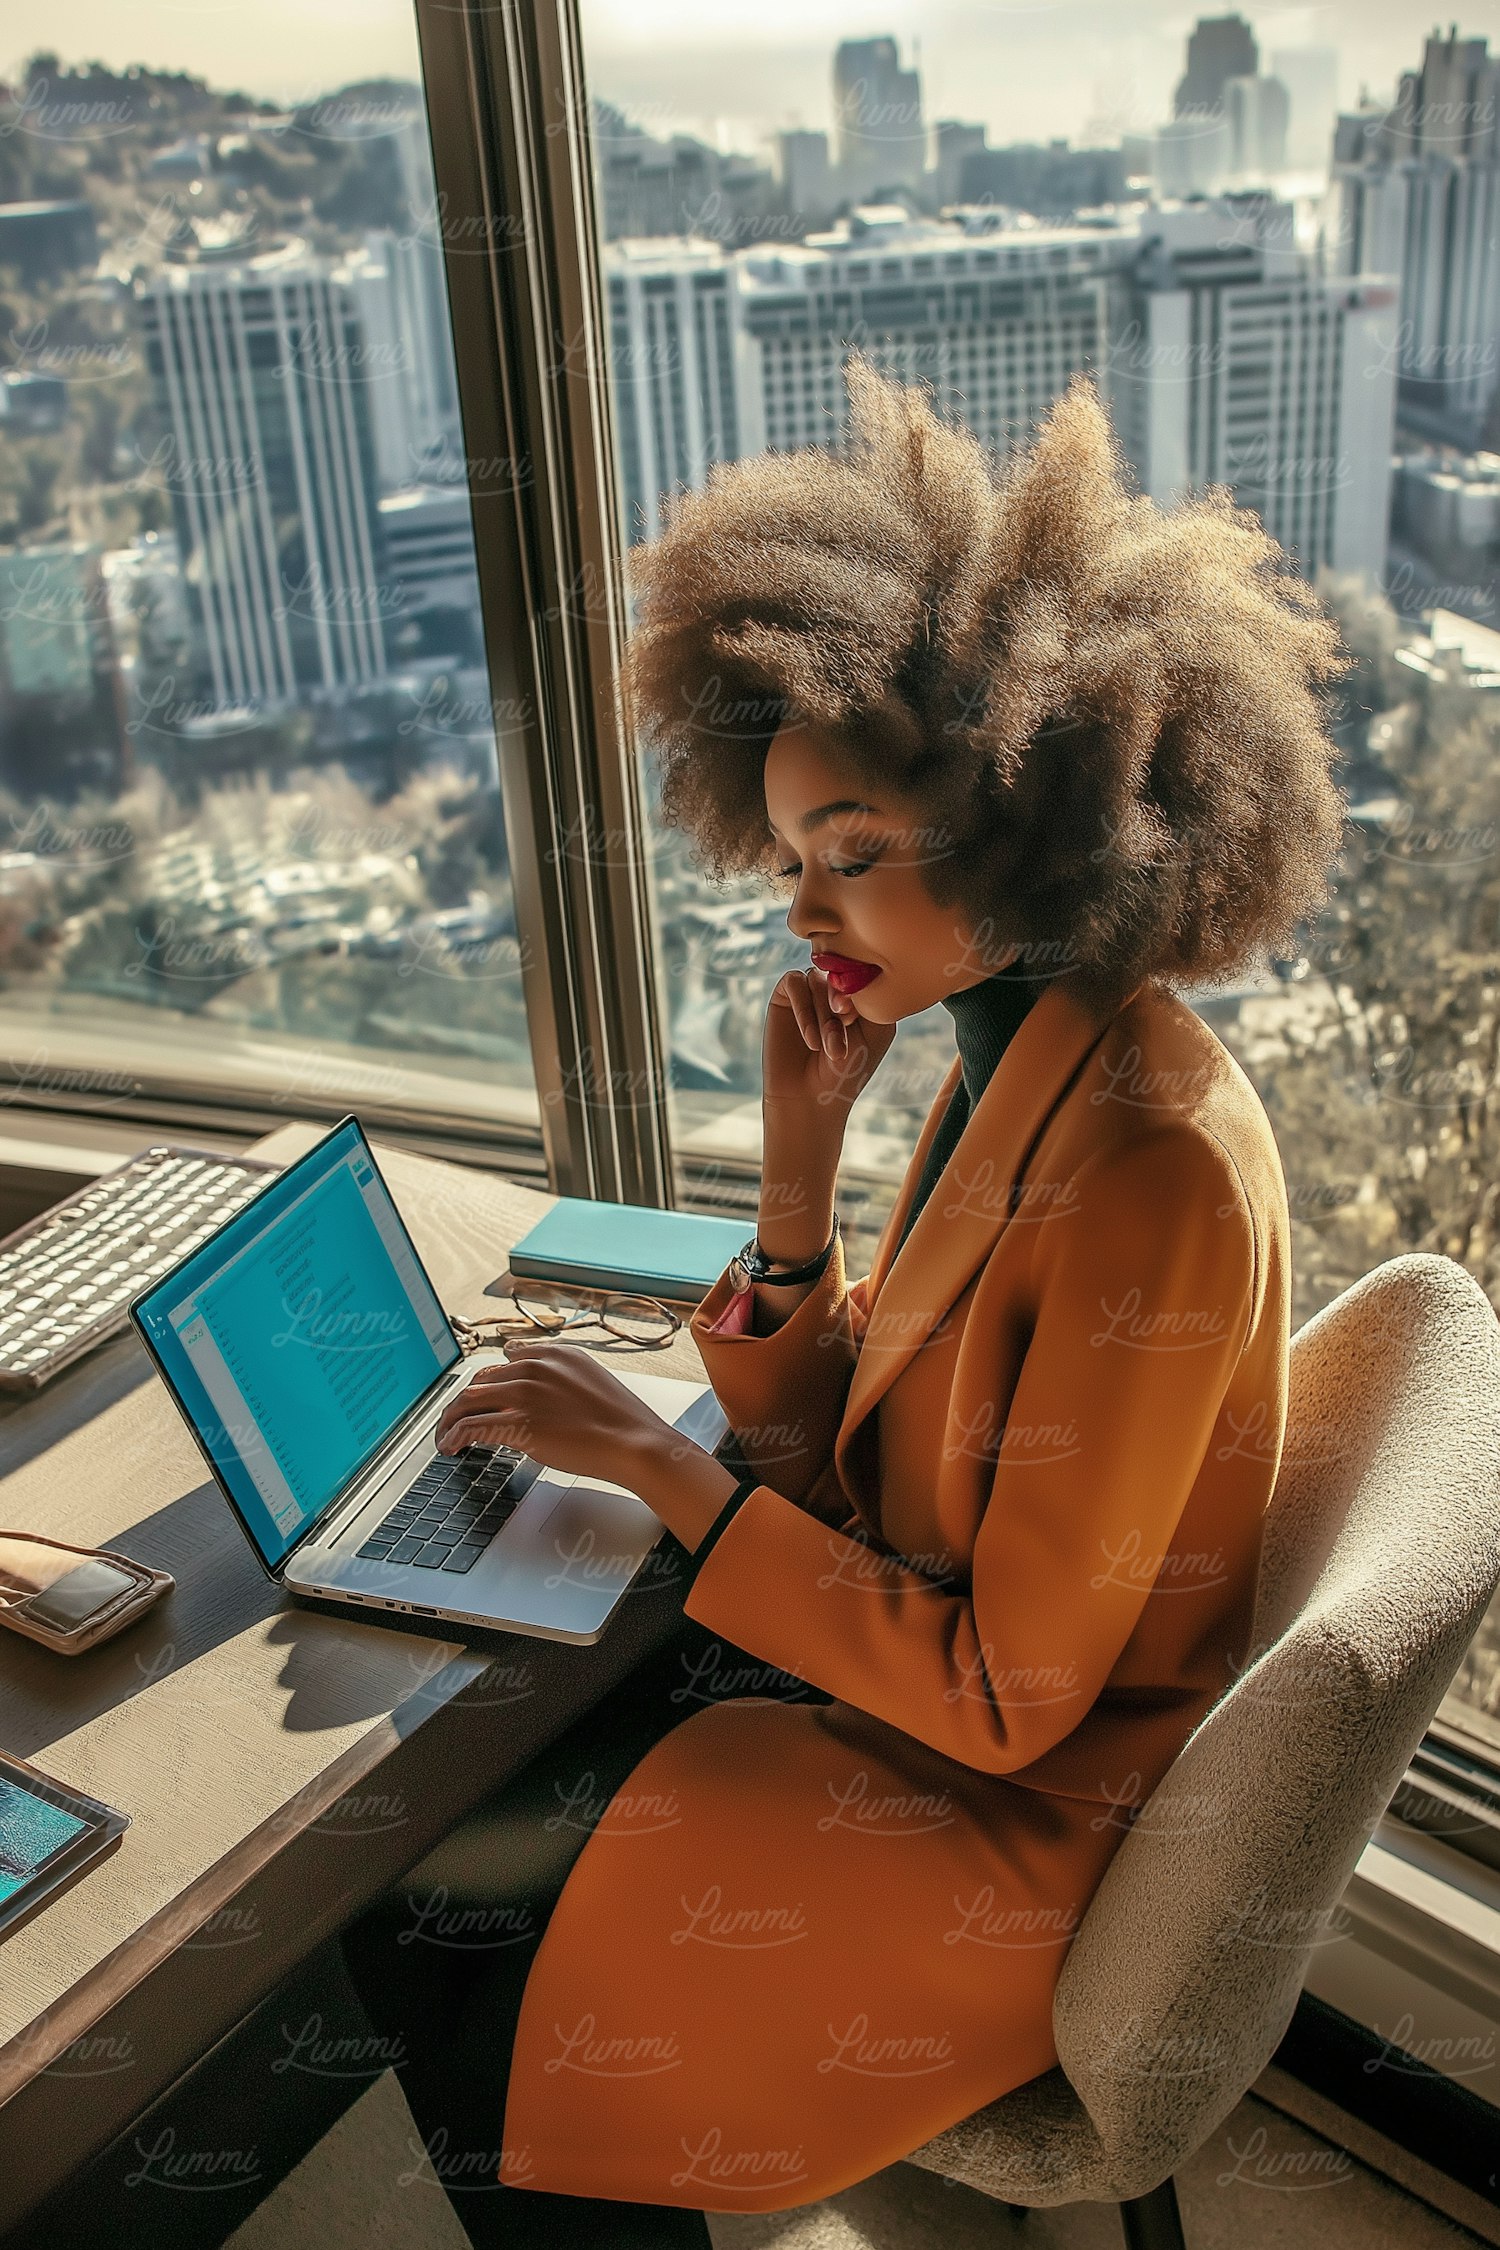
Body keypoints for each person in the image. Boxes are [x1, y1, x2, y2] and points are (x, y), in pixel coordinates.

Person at [340, 356, 1348, 2244]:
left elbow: (1002, 1694)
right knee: (482, 1808)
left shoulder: (1150, 1170)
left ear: (1048, 815)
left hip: (1016, 1832)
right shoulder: (1019, 1050)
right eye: (793, 855)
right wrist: (795, 1179)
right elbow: (856, 1467)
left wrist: (668, 1472)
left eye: (860, 856)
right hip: (910, 1714)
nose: (807, 911)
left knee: (441, 1936)